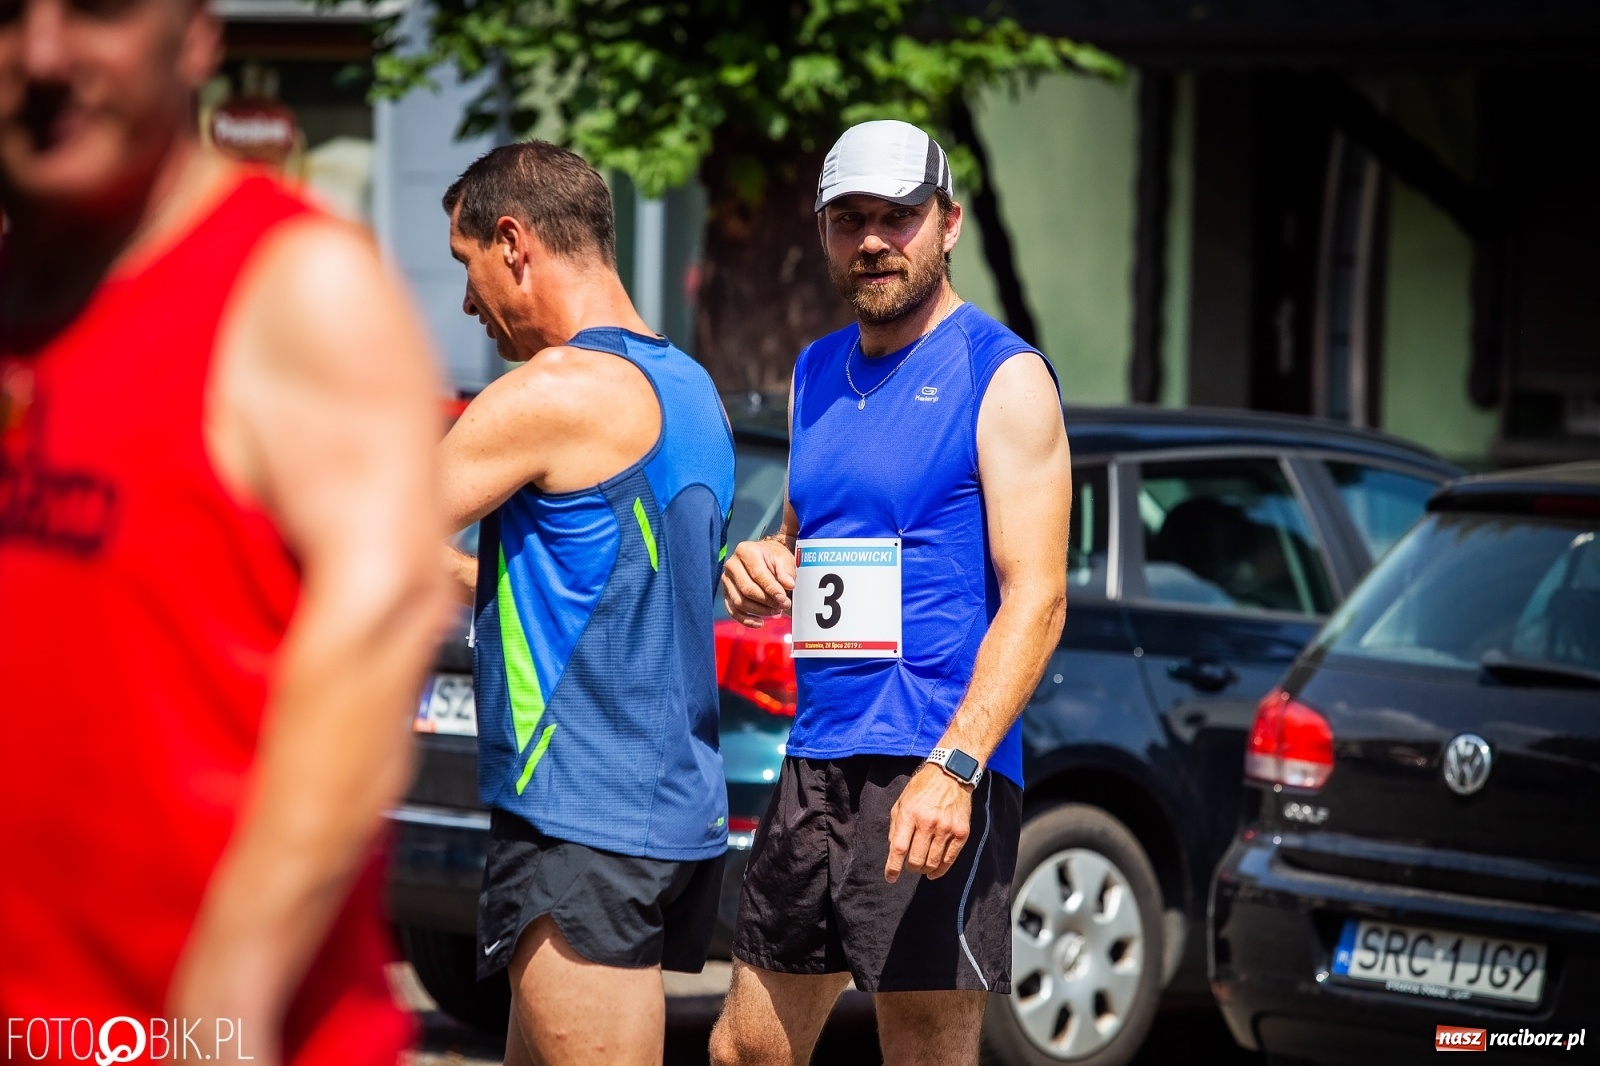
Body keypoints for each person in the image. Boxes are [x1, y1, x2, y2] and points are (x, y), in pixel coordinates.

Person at [0, 0, 449, 1061]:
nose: (48, 55)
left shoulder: (296, 284)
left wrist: (225, 996)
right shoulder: (23, 293)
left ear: (197, 34)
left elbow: (378, 629)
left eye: (99, 9)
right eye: (10, 15)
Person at [712, 120, 1072, 1066]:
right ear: (824, 231)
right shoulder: (813, 372)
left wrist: (957, 767)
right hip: (817, 751)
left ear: (948, 222)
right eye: (850, 219)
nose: (873, 239)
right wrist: (760, 565)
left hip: (932, 762)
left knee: (920, 1055)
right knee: (747, 1047)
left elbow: (1037, 599)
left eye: (898, 216)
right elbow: (805, 541)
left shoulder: (1005, 376)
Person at [435, 142, 736, 1066]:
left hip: (583, 819)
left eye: (468, 263)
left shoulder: (556, 391)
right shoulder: (695, 392)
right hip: (671, 806)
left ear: (515, 242)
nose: (466, 301)